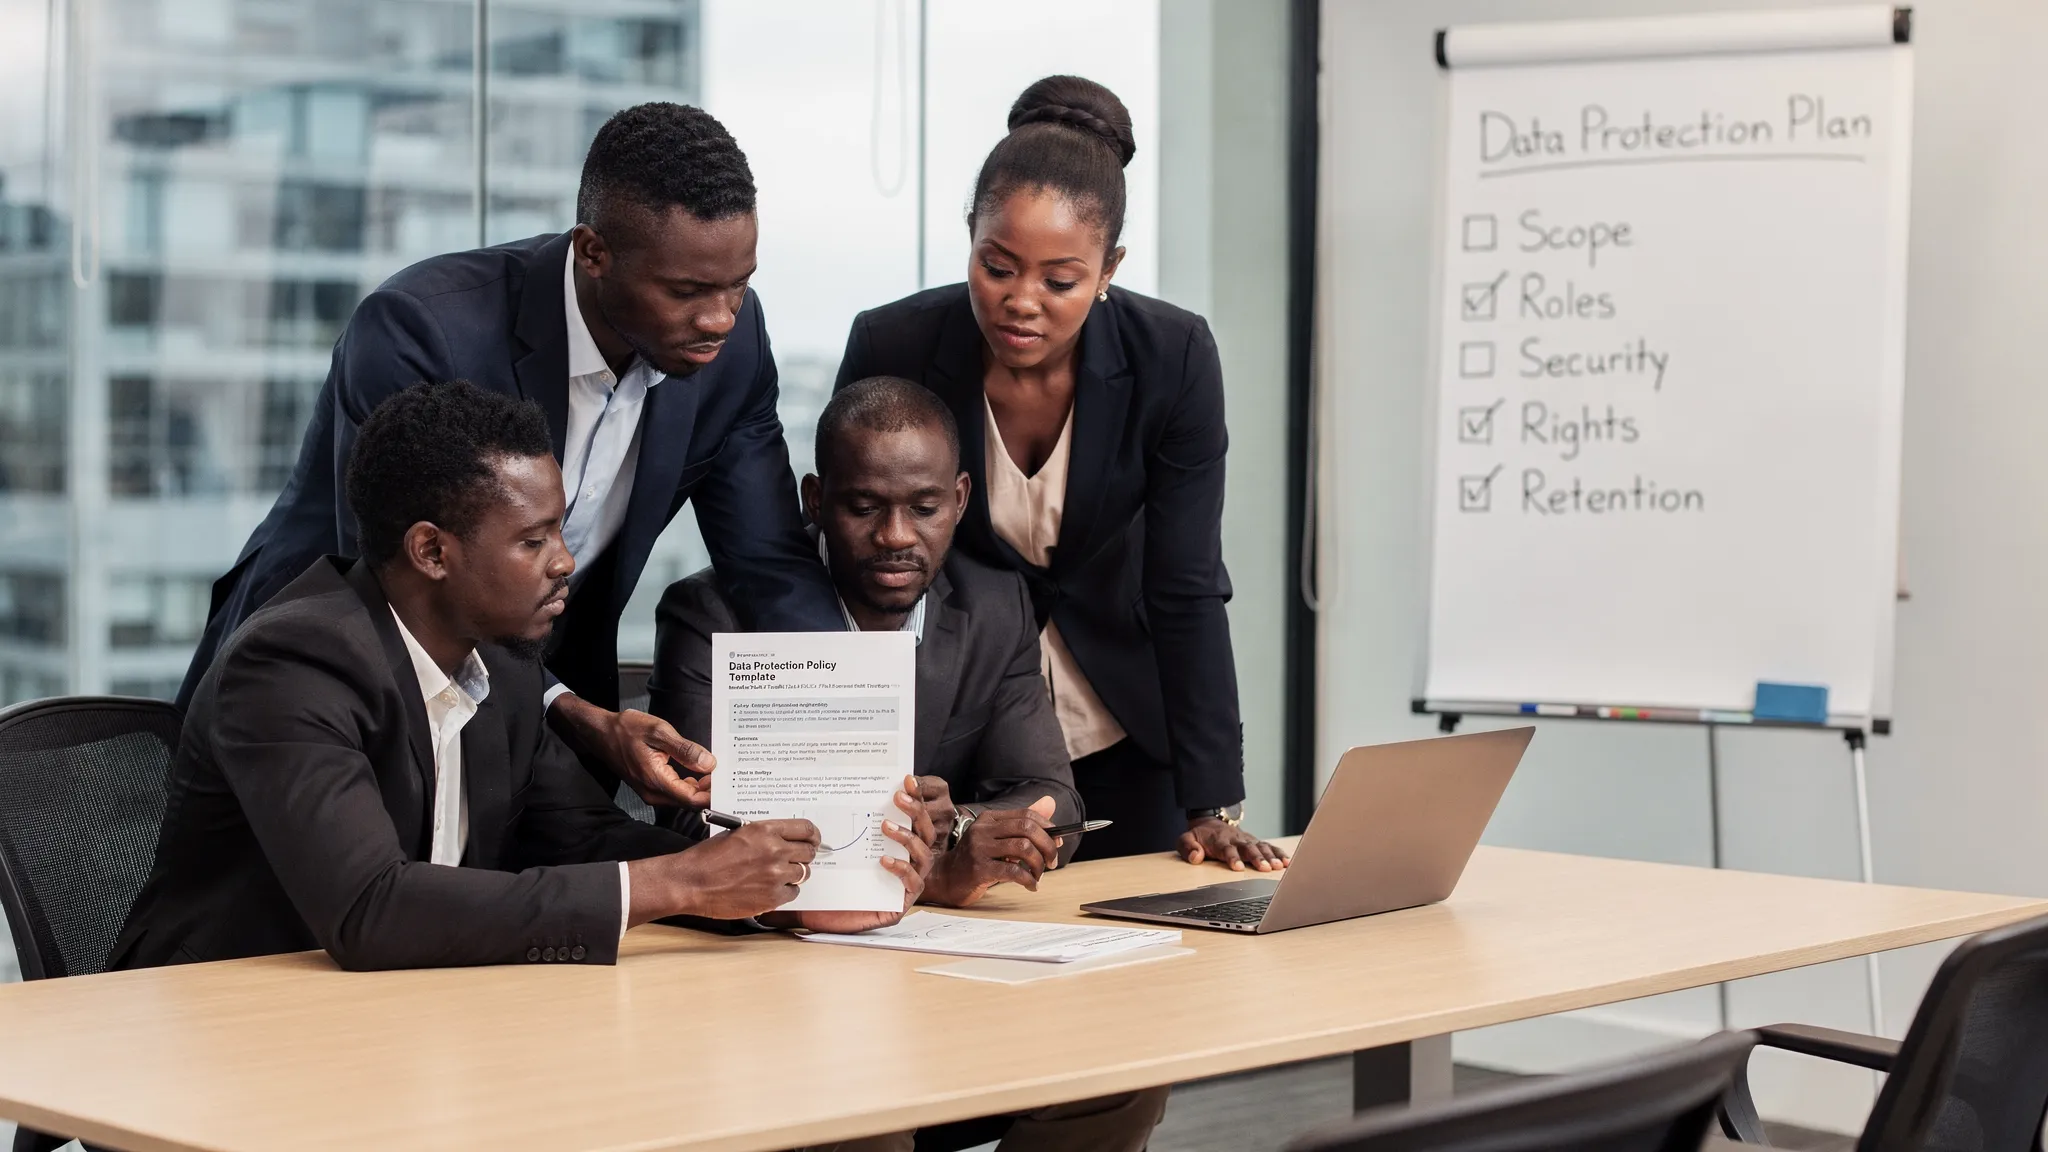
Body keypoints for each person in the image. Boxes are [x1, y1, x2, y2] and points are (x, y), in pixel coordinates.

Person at [112, 381, 927, 972]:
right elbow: (371, 910)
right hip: (223, 1036)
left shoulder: (500, 661)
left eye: (560, 532)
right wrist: (680, 880)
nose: (566, 561)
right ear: (433, 551)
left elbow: (582, 837)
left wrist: (792, 883)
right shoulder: (292, 664)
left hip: (416, 1027)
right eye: (532, 541)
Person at [175, 101, 841, 810]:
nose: (720, 318)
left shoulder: (731, 348)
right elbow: (400, 590)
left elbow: (770, 564)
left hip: (545, 713)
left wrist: (863, 729)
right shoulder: (423, 332)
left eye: (739, 283)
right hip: (339, 691)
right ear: (593, 252)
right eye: (686, 291)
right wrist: (571, 713)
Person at [651, 376, 1167, 1152]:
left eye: (923, 507)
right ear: (815, 500)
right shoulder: (715, 612)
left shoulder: (995, 606)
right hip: (779, 974)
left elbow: (1048, 793)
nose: (897, 535)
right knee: (869, 1118)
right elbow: (693, 821)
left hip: (942, 967)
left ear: (960, 499)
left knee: (1122, 1067)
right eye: (865, 507)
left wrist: (954, 837)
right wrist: (911, 867)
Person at [834, 76, 1287, 870]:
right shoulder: (895, 345)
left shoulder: (1172, 358)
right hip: (954, 729)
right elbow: (855, 549)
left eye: (1060, 280)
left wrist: (1213, 802)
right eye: (997, 266)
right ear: (969, 237)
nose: (1020, 302)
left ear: (1108, 268)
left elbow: (1185, 584)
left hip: (1124, 722)